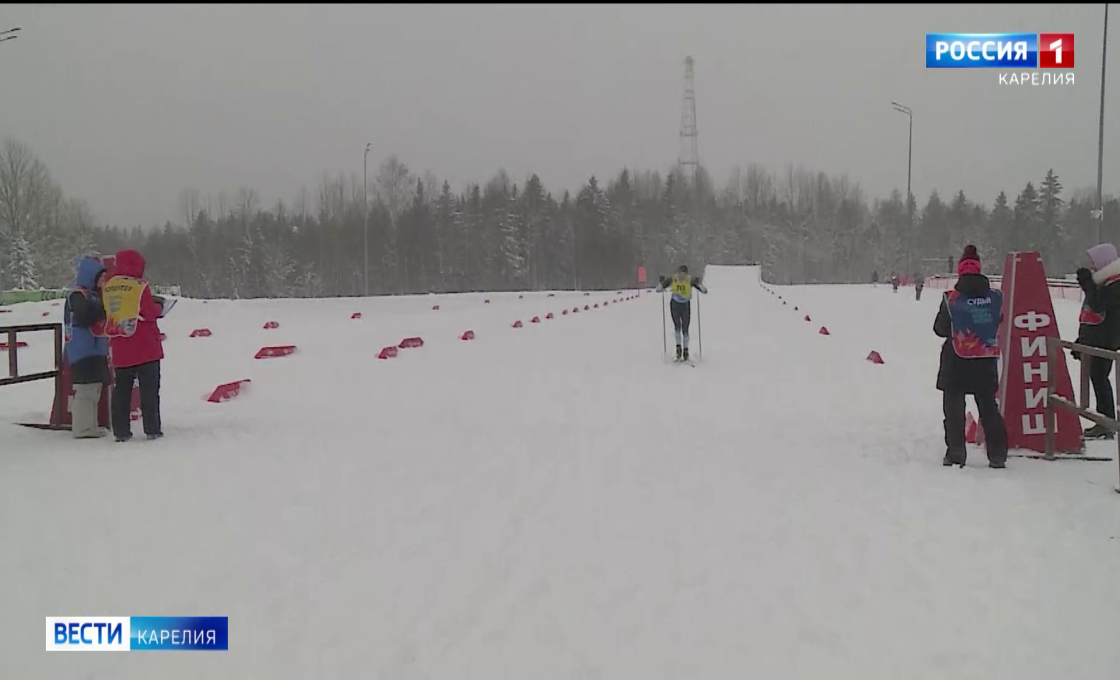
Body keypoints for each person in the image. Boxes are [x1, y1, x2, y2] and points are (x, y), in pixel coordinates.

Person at [934, 245, 1008, 468]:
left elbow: (939, 328)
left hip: (956, 361)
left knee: (954, 408)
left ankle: (956, 453)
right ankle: (997, 455)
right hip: (985, 360)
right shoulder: (994, 297)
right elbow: (998, 321)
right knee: (988, 407)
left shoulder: (951, 298)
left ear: (960, 271)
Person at [104, 249, 165, 442]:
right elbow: (148, 312)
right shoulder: (139, 286)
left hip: (121, 345)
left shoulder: (109, 285)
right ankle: (152, 429)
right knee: (149, 390)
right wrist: (159, 307)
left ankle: (121, 431)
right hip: (145, 346)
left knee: (121, 390)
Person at [1073, 242, 1120, 440]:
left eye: (1094, 262)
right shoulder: (1106, 282)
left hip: (1107, 341)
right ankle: (1104, 420)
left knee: (1100, 378)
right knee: (1097, 378)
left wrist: (1088, 285)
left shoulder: (1115, 284)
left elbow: (1098, 306)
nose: (1092, 266)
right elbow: (1091, 315)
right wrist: (1083, 340)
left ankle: (1107, 421)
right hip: (1099, 339)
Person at [64, 256, 110, 439]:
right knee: (85, 389)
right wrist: (104, 310)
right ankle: (82, 428)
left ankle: (90, 425)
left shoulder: (93, 295)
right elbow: (84, 317)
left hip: (95, 348)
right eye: (100, 277)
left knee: (94, 389)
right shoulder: (77, 295)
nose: (103, 281)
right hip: (83, 349)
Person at [657, 264, 708, 362]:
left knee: (685, 328)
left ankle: (685, 350)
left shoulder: (690, 280)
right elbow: (659, 289)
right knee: (677, 326)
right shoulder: (673, 278)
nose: (682, 276)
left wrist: (699, 284)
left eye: (684, 274)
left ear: (686, 274)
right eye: (680, 273)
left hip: (685, 305)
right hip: (675, 305)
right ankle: (678, 349)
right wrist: (661, 283)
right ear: (678, 272)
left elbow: (704, 291)